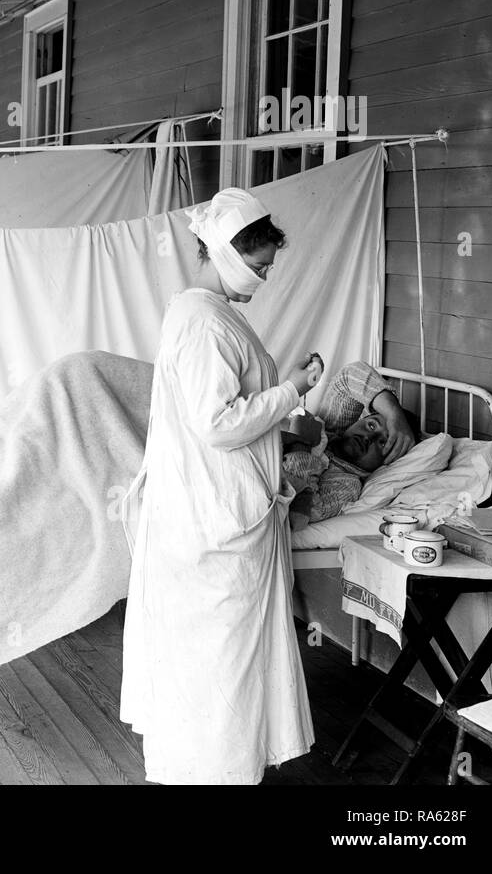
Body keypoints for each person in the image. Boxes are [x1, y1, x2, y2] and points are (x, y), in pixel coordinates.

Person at [120, 187, 322, 784]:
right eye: (259, 267)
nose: (263, 280)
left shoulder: (204, 313)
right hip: (212, 517)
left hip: (205, 508)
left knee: (213, 658)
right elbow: (217, 424)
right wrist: (292, 389)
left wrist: (285, 416)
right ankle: (214, 774)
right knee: (218, 660)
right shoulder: (205, 321)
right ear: (229, 255)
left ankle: (213, 769)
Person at [285, 361, 419, 527]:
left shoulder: (347, 484)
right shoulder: (332, 428)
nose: (368, 437)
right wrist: (393, 415)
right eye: (371, 425)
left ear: (391, 458)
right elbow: (350, 374)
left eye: (383, 442)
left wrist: (301, 444)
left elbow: (306, 512)